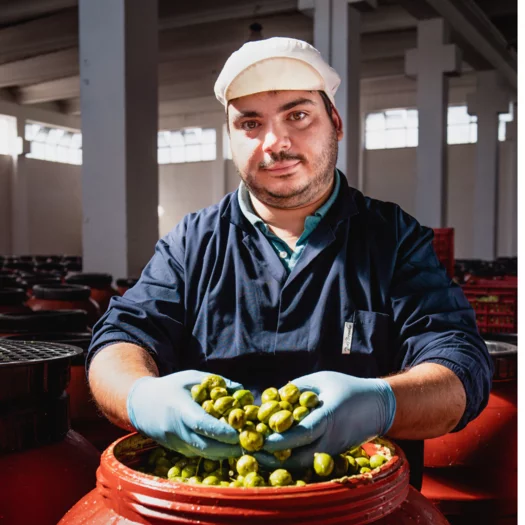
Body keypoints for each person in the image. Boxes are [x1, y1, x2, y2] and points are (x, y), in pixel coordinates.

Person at [87, 37, 493, 488]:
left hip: (356, 508)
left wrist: (383, 402)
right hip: (213, 508)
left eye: (298, 116)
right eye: (250, 123)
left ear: (335, 123)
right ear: (230, 139)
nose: (275, 143)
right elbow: (119, 337)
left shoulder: (393, 237)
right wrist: (141, 396)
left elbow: (461, 367)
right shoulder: (191, 242)